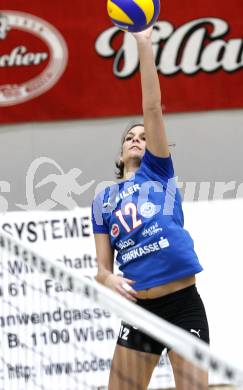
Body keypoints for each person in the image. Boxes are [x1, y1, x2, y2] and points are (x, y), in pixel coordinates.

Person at [92, 26, 209, 390]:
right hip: (140, 311)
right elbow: (101, 269)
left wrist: (143, 42)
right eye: (130, 137)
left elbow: (152, 106)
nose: (137, 139)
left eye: (144, 136)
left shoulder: (158, 173)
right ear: (120, 153)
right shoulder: (102, 200)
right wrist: (109, 279)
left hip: (182, 305)